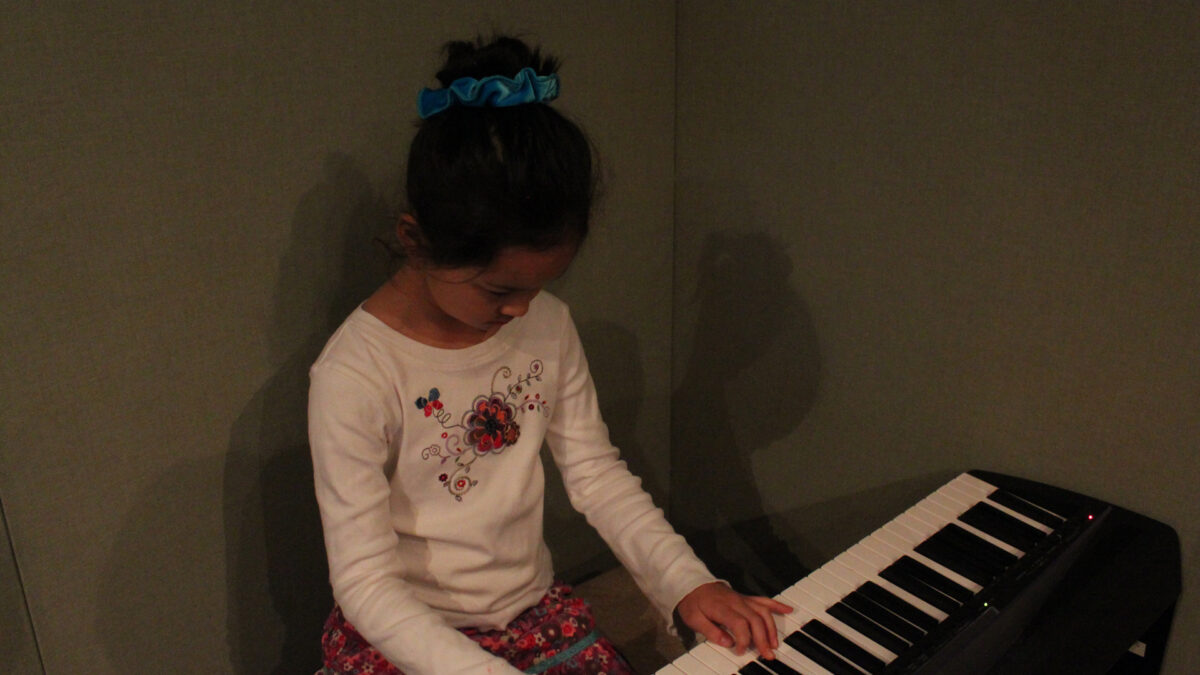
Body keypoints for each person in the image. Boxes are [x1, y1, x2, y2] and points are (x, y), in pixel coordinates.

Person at [308, 35, 791, 674]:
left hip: (531, 611)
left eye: (541, 287)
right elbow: (366, 582)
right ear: (415, 240)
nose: (521, 310)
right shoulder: (355, 374)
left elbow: (595, 471)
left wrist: (684, 581)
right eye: (499, 289)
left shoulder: (546, 323)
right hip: (407, 635)